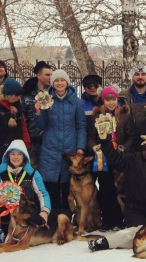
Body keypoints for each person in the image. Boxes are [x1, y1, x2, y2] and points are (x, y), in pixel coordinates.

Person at [34, 69, 86, 218]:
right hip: (51, 148)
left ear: (67, 82)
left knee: (67, 184)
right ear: (52, 83)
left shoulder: (76, 102)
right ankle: (53, 217)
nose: (59, 83)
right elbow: (42, 125)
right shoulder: (46, 99)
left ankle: (68, 217)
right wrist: (38, 112)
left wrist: (80, 148)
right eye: (56, 80)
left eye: (62, 80)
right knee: (51, 184)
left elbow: (81, 126)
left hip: (70, 150)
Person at [88, 85, 134, 231]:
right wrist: (93, 146)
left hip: (119, 157)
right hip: (103, 157)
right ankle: (107, 219)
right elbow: (90, 137)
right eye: (107, 99)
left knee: (120, 189)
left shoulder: (125, 115)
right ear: (103, 101)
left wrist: (124, 148)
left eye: (113, 99)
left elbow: (131, 136)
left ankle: (120, 219)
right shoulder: (97, 116)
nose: (111, 102)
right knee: (105, 189)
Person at [0, 139, 51, 244]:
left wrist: (45, 211)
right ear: (8, 156)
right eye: (13, 154)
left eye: (19, 154)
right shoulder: (2, 173)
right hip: (7, 215)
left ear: (24, 156)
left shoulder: (32, 173)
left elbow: (43, 194)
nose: (16, 157)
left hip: (26, 213)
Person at [0, 78, 31, 165]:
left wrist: (26, 145)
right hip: (0, 150)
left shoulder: (17, 105)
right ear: (9, 94)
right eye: (17, 95)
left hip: (17, 150)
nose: (19, 98)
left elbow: (23, 126)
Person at [22, 61, 53, 168]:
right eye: (47, 75)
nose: (50, 77)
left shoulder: (54, 94)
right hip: (32, 142)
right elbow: (23, 119)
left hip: (50, 141)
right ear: (38, 75)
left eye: (51, 75)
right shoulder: (27, 94)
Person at [119, 64, 146, 151]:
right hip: (128, 141)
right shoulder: (122, 96)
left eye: (143, 74)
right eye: (137, 74)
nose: (140, 77)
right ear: (132, 77)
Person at [81, 74, 103, 156]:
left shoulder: (108, 101)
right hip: (86, 144)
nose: (93, 88)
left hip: (105, 143)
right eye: (89, 86)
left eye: (96, 85)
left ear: (100, 86)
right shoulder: (80, 104)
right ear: (85, 88)